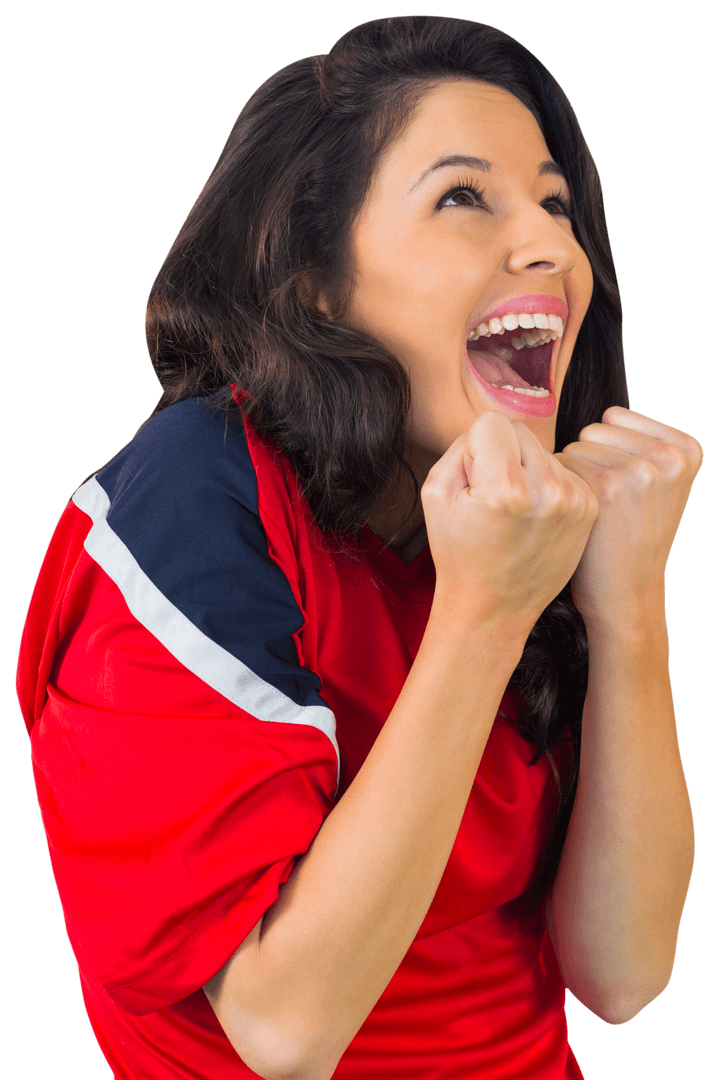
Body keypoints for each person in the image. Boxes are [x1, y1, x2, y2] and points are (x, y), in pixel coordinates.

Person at [16, 15, 701, 1080]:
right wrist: (482, 614)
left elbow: (622, 974)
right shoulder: (186, 511)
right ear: (315, 286)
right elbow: (284, 1030)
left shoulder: (508, 509)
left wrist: (628, 603)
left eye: (555, 205)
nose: (551, 248)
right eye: (463, 197)